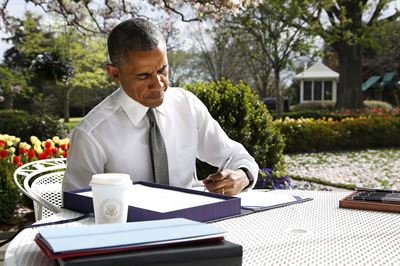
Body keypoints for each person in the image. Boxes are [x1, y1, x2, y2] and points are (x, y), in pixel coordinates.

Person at [63, 18, 259, 195]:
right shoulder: (92, 134)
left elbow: (235, 155)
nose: (158, 84)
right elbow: (75, 208)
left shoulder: (187, 105)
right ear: (115, 73)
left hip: (194, 224)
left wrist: (242, 175)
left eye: (162, 69)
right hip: (127, 232)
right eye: (144, 75)